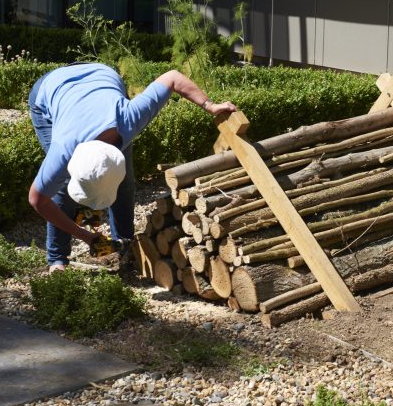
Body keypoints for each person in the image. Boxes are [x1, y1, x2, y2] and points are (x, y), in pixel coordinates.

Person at [28, 62, 237, 273]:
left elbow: (173, 77)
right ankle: (57, 259)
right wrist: (86, 236)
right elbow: (38, 200)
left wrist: (210, 105)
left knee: (124, 184)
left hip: (101, 75)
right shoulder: (63, 150)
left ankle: (124, 248)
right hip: (51, 88)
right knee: (62, 188)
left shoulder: (128, 120)